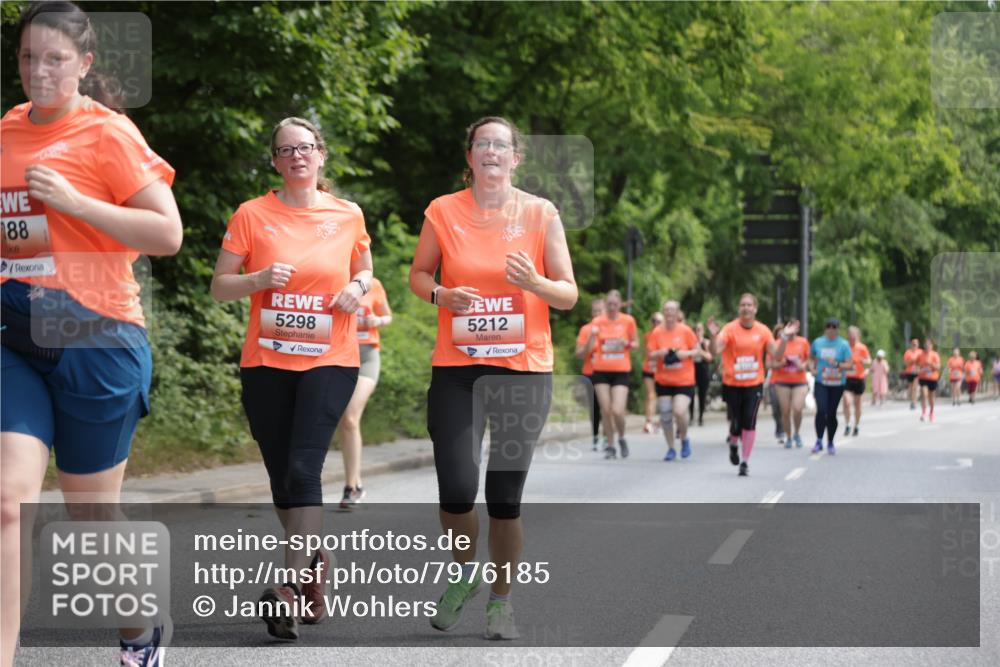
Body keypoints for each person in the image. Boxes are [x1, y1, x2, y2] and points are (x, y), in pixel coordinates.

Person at [1, 3, 182, 665]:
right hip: (15, 334)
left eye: (53, 58)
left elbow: (168, 234)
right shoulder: (5, 132)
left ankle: (141, 628)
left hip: (96, 337)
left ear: (84, 62)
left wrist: (75, 203)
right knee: (7, 502)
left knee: (92, 522)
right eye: (27, 58)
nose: (38, 71)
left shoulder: (110, 134)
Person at [408, 116, 577, 640]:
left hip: (522, 370)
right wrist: (441, 295)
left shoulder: (540, 213)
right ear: (470, 156)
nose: (490, 152)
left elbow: (568, 294)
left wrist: (536, 282)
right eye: (482, 143)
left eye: (500, 144)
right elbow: (419, 275)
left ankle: (501, 601)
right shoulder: (443, 210)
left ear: (515, 157)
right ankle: (465, 574)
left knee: (505, 497)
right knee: (457, 489)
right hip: (458, 368)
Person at [211, 117, 372, 640]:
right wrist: (257, 279)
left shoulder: (347, 214)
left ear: (321, 155)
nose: (297, 156)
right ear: (276, 161)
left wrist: (359, 287)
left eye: (305, 147)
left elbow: (366, 269)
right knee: (282, 477)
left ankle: (289, 584)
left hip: (332, 359)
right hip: (266, 363)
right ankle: (314, 562)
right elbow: (220, 286)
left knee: (305, 468)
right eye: (286, 150)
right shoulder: (252, 215)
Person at [707, 294, 798, 477]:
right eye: (743, 305)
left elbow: (778, 355)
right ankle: (734, 445)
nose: (746, 308)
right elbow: (715, 351)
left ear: (755, 309)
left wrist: (785, 340)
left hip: (754, 383)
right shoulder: (730, 329)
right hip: (732, 382)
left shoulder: (763, 331)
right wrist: (713, 336)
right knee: (736, 421)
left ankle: (745, 461)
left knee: (749, 421)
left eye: (749, 305)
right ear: (739, 309)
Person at [337, 276, 392, 508]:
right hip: (338, 355)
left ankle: (351, 488)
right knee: (345, 421)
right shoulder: (332, 278)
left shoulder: (374, 284)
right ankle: (356, 481)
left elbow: (388, 316)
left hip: (367, 357)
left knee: (349, 415)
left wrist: (376, 320)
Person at [586, 290, 638, 459]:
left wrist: (627, 343)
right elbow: (588, 349)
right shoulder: (598, 321)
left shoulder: (628, 321)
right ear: (606, 305)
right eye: (609, 304)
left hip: (621, 370)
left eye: (615, 304)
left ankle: (621, 437)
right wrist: (591, 339)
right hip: (600, 370)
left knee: (617, 410)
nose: (612, 307)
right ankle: (610, 445)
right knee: (606, 410)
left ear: (620, 304)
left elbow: (636, 343)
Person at [647, 301, 699, 460]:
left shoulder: (686, 331)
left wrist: (686, 354)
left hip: (684, 380)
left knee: (679, 411)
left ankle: (684, 439)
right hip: (664, 380)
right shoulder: (657, 332)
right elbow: (650, 354)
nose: (669, 313)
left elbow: (697, 350)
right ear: (663, 313)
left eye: (672, 310)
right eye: (666, 310)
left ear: (677, 313)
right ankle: (670, 448)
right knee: (665, 415)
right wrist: (660, 353)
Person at [808, 318, 853, 454]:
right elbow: (810, 358)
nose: (831, 329)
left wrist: (838, 364)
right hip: (822, 381)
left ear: (838, 329)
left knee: (831, 412)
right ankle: (819, 440)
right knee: (821, 410)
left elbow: (849, 364)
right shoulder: (818, 342)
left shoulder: (843, 345)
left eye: (834, 327)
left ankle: (831, 442)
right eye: (829, 326)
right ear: (825, 328)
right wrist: (812, 369)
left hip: (837, 383)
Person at [768, 324, 811, 448]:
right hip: (782, 381)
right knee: (785, 411)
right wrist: (782, 363)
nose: (792, 331)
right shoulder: (777, 343)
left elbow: (810, 358)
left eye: (794, 328)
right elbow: (770, 362)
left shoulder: (803, 342)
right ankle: (788, 436)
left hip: (800, 380)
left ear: (797, 329)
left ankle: (797, 433)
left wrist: (803, 365)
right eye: (789, 328)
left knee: (797, 408)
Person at [575, 298, 604, 450]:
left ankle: (608, 436)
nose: (597, 314)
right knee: (595, 407)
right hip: (590, 372)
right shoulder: (586, 330)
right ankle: (595, 436)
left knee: (607, 406)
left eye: (601, 311)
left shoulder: (611, 328)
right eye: (595, 311)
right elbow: (579, 354)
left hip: (607, 373)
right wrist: (590, 341)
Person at [842, 326, 871, 436]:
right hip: (847, 378)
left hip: (859, 378)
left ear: (857, 336)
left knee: (858, 405)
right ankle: (848, 424)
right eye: (850, 336)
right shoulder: (844, 347)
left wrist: (864, 361)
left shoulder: (862, 348)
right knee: (846, 401)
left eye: (854, 336)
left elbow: (869, 360)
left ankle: (857, 425)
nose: (852, 338)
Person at [642, 312, 665, 433]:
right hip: (649, 368)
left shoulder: (667, 335)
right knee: (650, 395)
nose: (656, 323)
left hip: (662, 370)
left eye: (659, 321)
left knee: (663, 397)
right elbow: (647, 353)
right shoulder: (648, 335)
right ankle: (648, 422)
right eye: (654, 321)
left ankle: (661, 421)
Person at [766, 323, 787, 444]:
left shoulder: (789, 346)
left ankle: (784, 430)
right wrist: (779, 364)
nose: (780, 335)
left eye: (782, 333)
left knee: (784, 407)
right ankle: (779, 427)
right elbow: (768, 364)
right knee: (775, 407)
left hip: (787, 381)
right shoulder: (772, 347)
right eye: (778, 333)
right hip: (774, 381)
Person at [690, 322, 713, 426]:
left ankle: (701, 417)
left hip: (703, 369)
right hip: (692, 369)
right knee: (691, 393)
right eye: (696, 330)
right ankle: (691, 416)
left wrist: (700, 352)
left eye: (699, 330)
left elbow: (710, 357)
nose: (697, 332)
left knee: (702, 394)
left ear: (703, 331)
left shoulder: (706, 343)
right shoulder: (690, 342)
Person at [917, 338, 941, 422]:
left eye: (929, 344)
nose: (927, 346)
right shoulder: (920, 354)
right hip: (923, 377)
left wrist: (931, 364)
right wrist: (919, 368)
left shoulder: (935, 355)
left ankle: (931, 412)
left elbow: (938, 367)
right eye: (925, 344)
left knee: (931, 397)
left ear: (931, 345)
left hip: (932, 377)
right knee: (924, 393)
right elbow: (917, 365)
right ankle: (924, 413)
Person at [902, 338, 922, 410]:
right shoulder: (908, 352)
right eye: (913, 344)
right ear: (911, 345)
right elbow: (906, 363)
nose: (914, 346)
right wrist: (912, 361)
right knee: (910, 389)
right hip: (909, 372)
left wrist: (918, 363)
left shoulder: (920, 352)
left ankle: (914, 402)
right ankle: (912, 400)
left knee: (915, 388)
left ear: (918, 345)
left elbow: (923, 362)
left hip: (917, 372)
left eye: (916, 344)